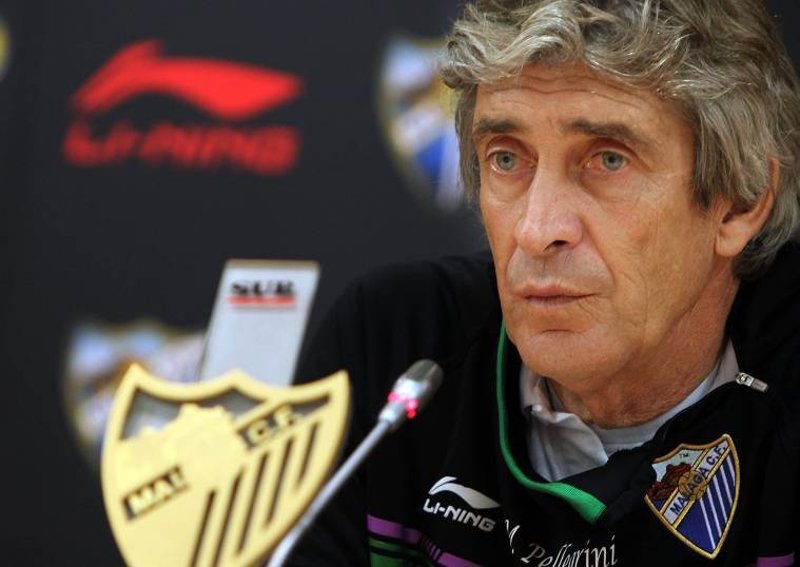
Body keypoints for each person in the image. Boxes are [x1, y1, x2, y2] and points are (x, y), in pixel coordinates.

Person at [290, 1, 800, 564]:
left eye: (608, 160)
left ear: (740, 202)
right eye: (507, 159)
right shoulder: (393, 350)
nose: (535, 231)